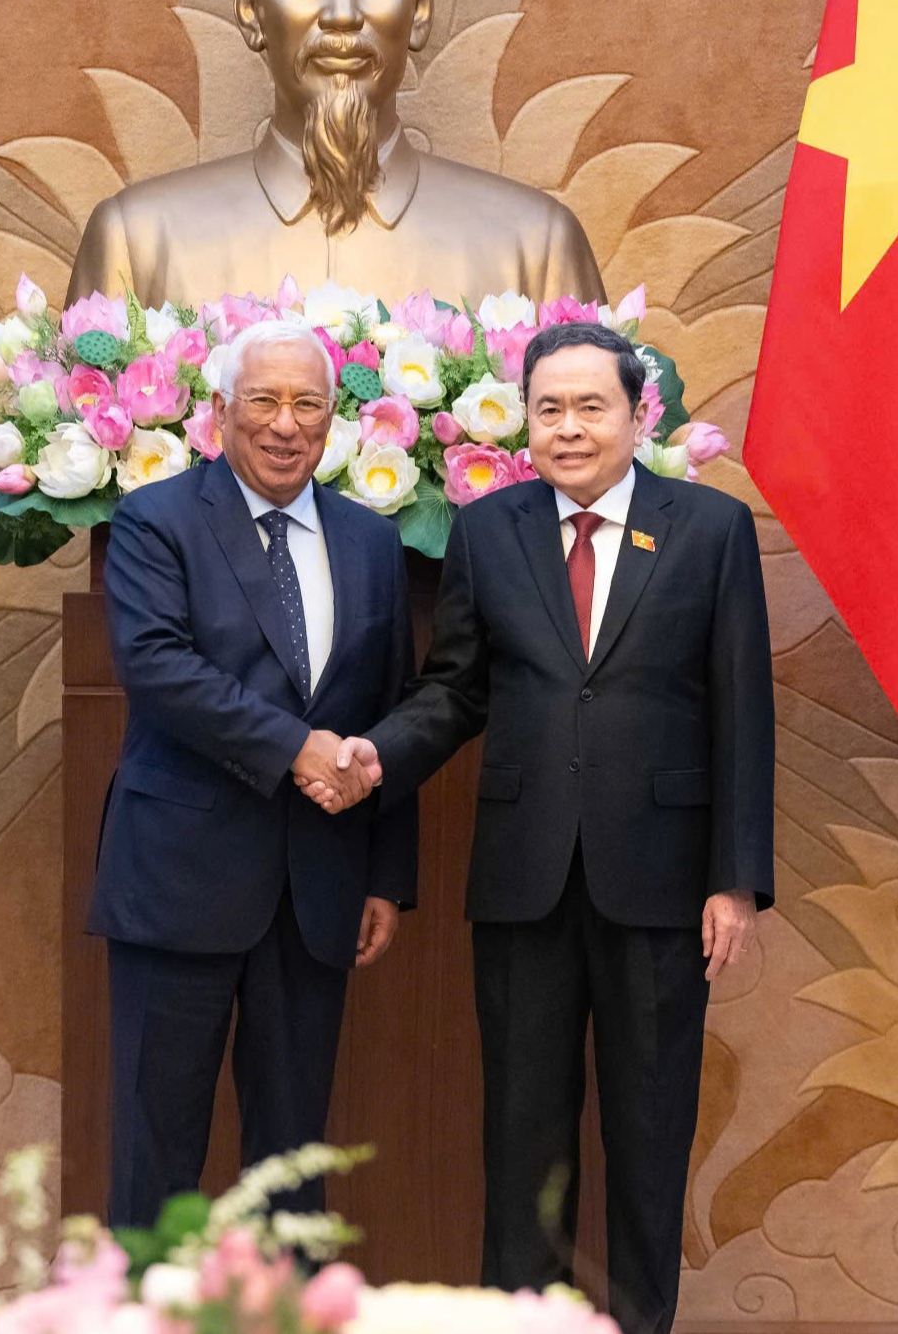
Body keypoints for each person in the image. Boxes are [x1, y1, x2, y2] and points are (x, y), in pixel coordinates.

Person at [313, 321, 774, 1334]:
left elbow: (741, 706)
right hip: (523, 879)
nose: (568, 428)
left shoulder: (709, 529)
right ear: (525, 420)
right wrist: (380, 754)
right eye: (548, 408)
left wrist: (735, 878)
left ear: (637, 416)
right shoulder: (489, 530)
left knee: (649, 1134)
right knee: (522, 1136)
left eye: (590, 407)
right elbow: (454, 689)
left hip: (661, 882)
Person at [93, 318, 417, 1226]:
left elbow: (389, 705)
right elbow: (157, 667)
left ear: (333, 420)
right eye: (263, 400)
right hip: (177, 881)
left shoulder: (369, 540)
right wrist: (295, 748)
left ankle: (286, 1304)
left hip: (316, 889)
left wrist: (385, 875)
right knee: (155, 1154)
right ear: (220, 410)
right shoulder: (156, 520)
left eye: (307, 403)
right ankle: (144, 1305)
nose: (284, 423)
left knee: (291, 1163)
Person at [64, 0, 603, 312]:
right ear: (251, 11)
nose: (342, 14)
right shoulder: (139, 245)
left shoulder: (537, 250)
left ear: (419, 9)